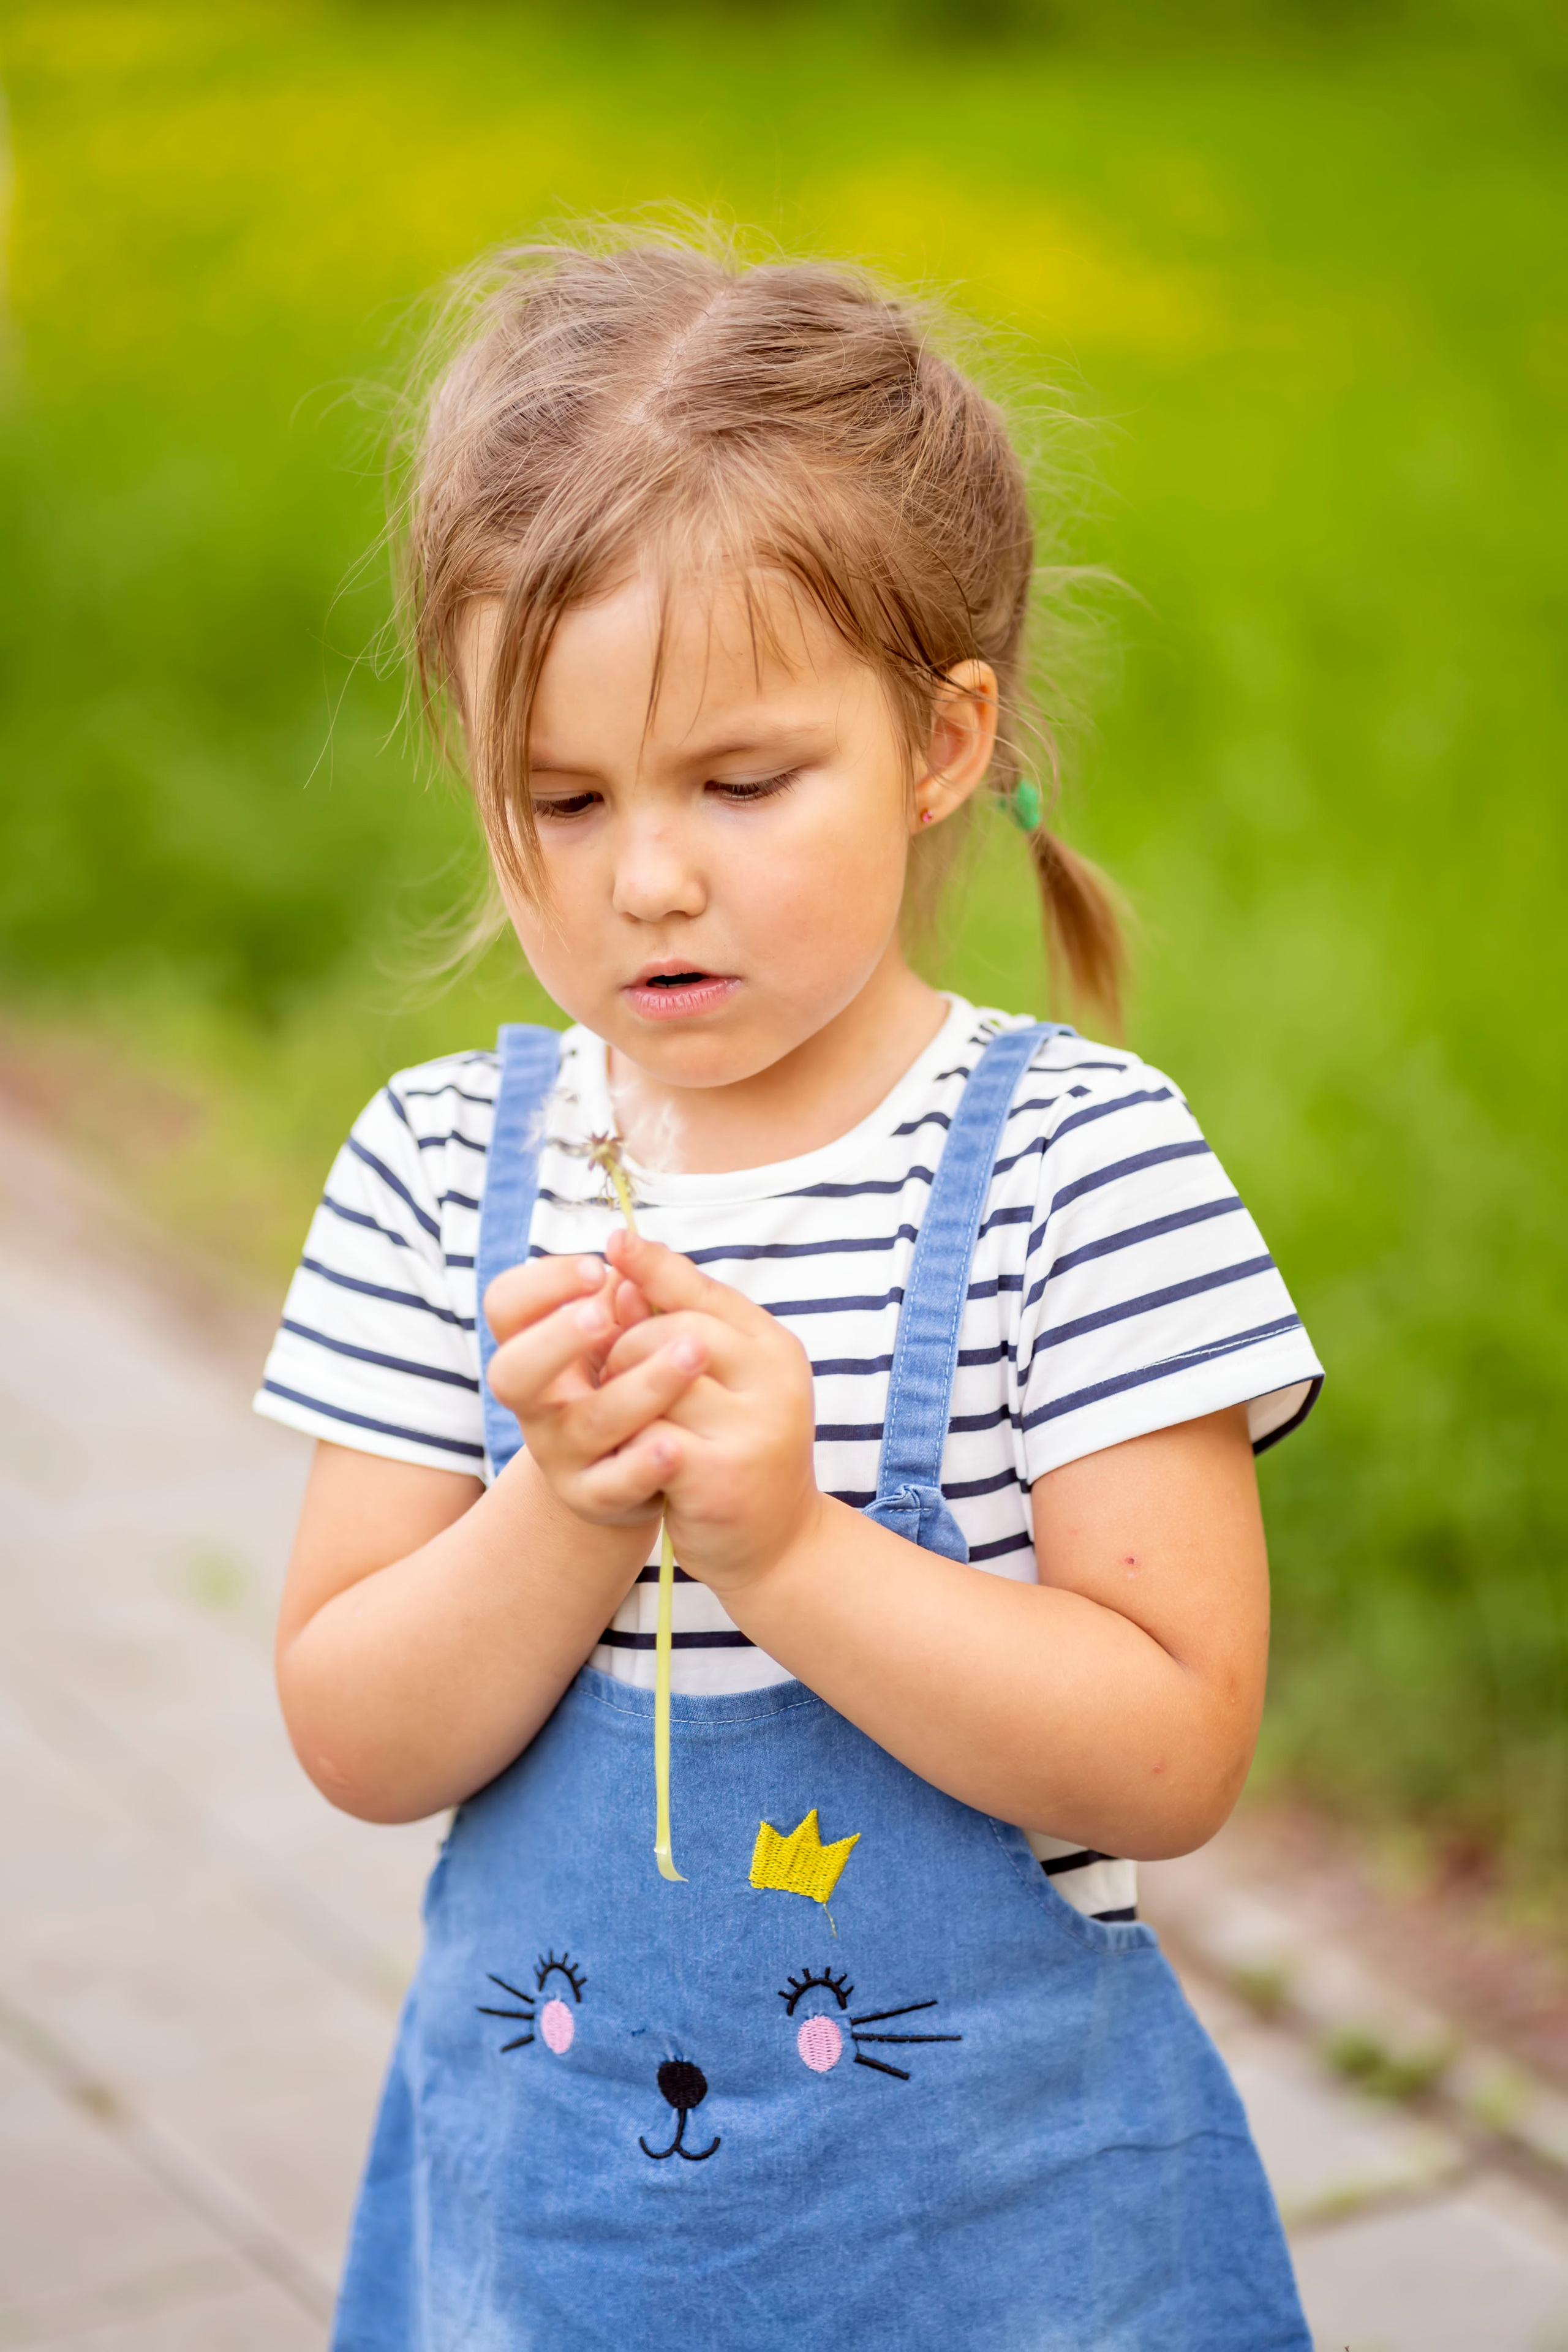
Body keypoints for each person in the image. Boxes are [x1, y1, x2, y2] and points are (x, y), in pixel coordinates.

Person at [257, 233, 1323, 2350]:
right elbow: (357, 1734)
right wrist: (567, 1512)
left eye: (743, 784)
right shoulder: (444, 1173)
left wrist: (787, 1547)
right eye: (563, 800)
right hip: (558, 2259)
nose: (650, 875)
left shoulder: (1073, 1171)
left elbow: (1171, 1752)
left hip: (1006, 2263)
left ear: (941, 742)